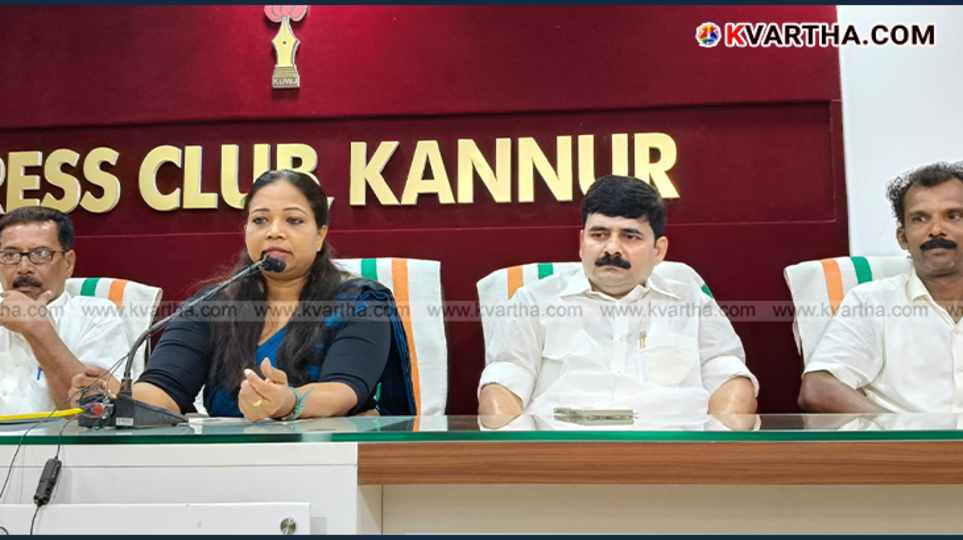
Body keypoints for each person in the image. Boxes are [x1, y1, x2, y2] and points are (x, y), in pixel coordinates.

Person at [71, 170, 416, 421]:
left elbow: (344, 391)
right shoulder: (212, 305)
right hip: (224, 464)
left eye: (294, 221)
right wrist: (117, 396)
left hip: (328, 460)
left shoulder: (359, 302)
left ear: (320, 234)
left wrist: (287, 401)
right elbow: (165, 389)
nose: (274, 232)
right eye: (260, 220)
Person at [477, 175, 758, 423]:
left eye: (630, 236)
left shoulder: (692, 303)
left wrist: (716, 459)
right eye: (599, 235)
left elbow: (730, 380)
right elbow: (504, 382)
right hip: (562, 454)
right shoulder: (534, 301)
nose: (612, 248)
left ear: (658, 250)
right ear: (582, 242)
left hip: (674, 456)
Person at [799, 161, 963, 413]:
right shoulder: (871, 303)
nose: (937, 230)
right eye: (920, 219)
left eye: (953, 216)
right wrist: (902, 433)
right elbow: (819, 387)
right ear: (903, 238)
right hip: (904, 450)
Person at [0, 207, 129, 414]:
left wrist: (37, 327)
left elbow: (97, 413)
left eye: (40, 254)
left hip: (60, 446)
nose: (24, 267)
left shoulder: (96, 316)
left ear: (68, 264)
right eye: (10, 255)